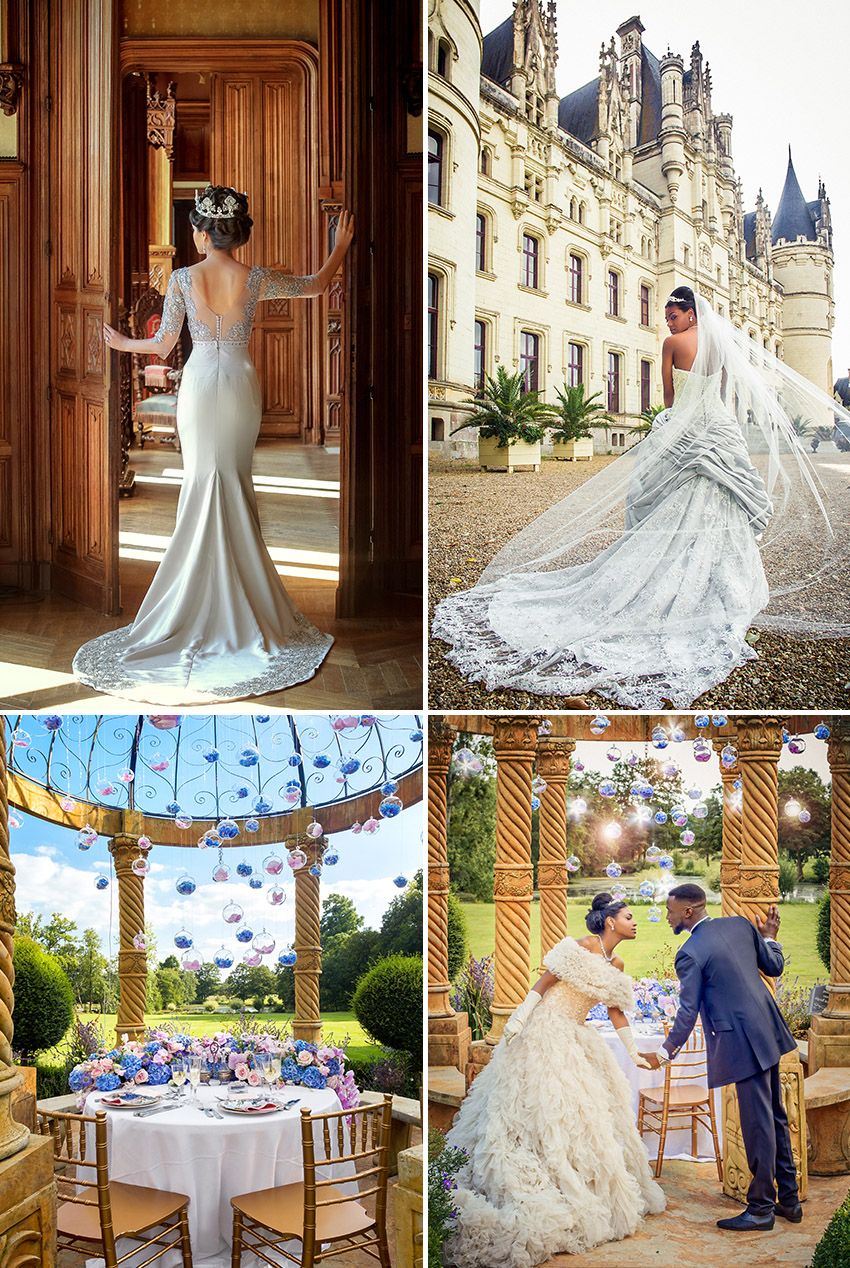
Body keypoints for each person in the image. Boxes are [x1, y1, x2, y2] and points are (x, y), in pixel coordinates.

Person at [432, 286, 850, 709]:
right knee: (718, 501)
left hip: (687, 429)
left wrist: (670, 423)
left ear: (690, 314)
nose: (668, 322)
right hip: (718, 432)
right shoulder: (720, 347)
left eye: (673, 314)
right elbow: (721, 394)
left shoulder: (672, 345)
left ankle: (672, 575)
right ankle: (713, 585)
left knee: (664, 496)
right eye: (666, 316)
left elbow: (669, 395)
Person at [72, 186, 354, 703]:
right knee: (234, 482)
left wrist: (121, 344)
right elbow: (316, 286)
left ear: (202, 232)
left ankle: (196, 601)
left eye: (196, 228)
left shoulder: (182, 278)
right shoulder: (259, 278)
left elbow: (162, 345)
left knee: (203, 481)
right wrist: (338, 244)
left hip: (201, 385)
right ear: (235, 233)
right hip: (242, 384)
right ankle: (244, 604)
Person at [443, 895, 665, 1268]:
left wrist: (635, 1052)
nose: (635, 922)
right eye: (629, 917)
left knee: (582, 1113)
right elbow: (543, 985)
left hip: (576, 1035)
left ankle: (577, 1181)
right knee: (538, 1105)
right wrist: (517, 1020)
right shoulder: (578, 948)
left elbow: (616, 1014)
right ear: (610, 922)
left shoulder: (618, 963)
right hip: (544, 1031)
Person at [643, 883, 800, 1232]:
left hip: (742, 1044)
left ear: (687, 911)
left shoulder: (689, 953)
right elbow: (774, 966)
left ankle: (761, 1209)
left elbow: (687, 1013)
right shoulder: (741, 925)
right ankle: (789, 1201)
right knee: (774, 1116)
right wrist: (771, 936)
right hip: (769, 1031)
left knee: (758, 1126)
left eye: (670, 910)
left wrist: (664, 1052)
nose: (667, 916)